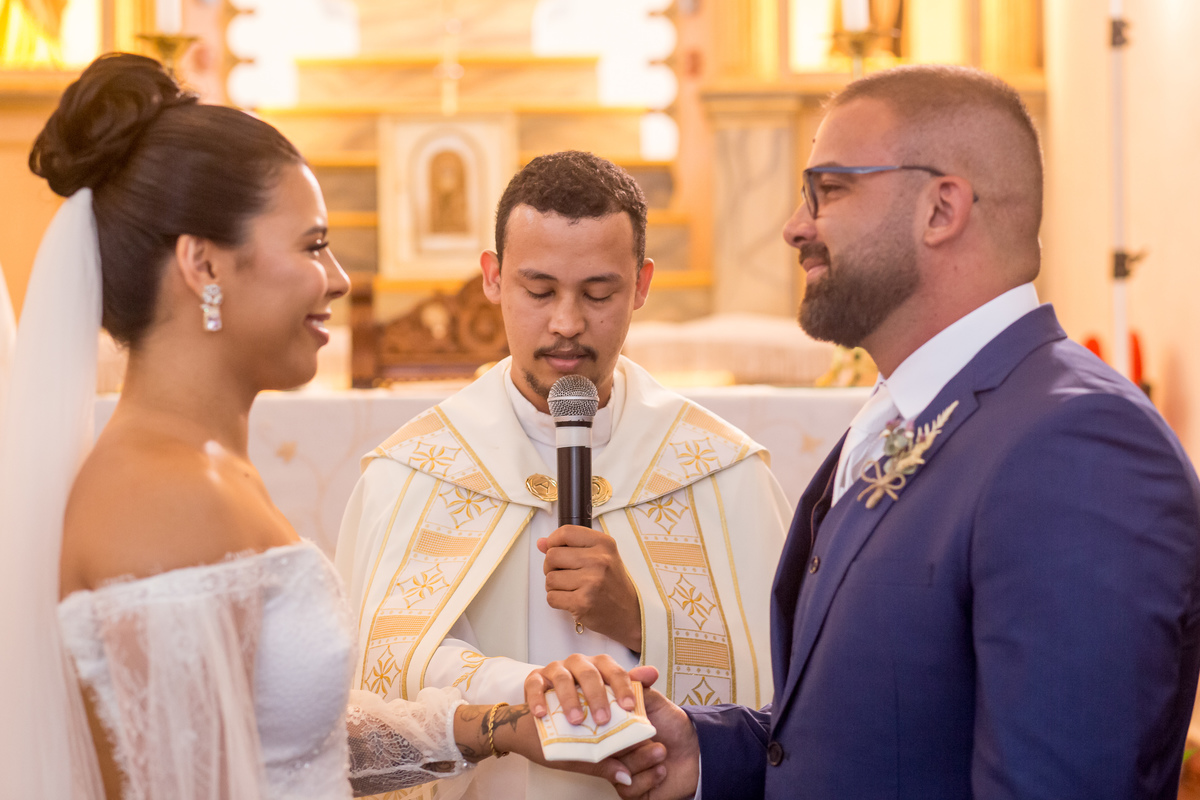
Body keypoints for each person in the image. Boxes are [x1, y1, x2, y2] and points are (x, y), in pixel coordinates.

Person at [0, 53, 648, 800]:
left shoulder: (198, 468)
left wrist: (499, 726)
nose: (338, 278)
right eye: (312, 245)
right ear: (203, 266)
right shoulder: (164, 498)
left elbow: (282, 742)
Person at [611, 64, 1200, 800]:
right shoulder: (911, 412)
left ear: (941, 208)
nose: (795, 227)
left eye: (830, 189)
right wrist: (704, 754)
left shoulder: (1078, 446)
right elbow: (873, 735)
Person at [336, 151, 791, 800]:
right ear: (493, 278)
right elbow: (379, 679)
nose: (567, 324)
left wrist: (641, 621)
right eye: (540, 290)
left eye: (599, 293)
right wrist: (527, 690)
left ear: (641, 285)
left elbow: (781, 694)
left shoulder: (721, 472)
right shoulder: (413, 471)